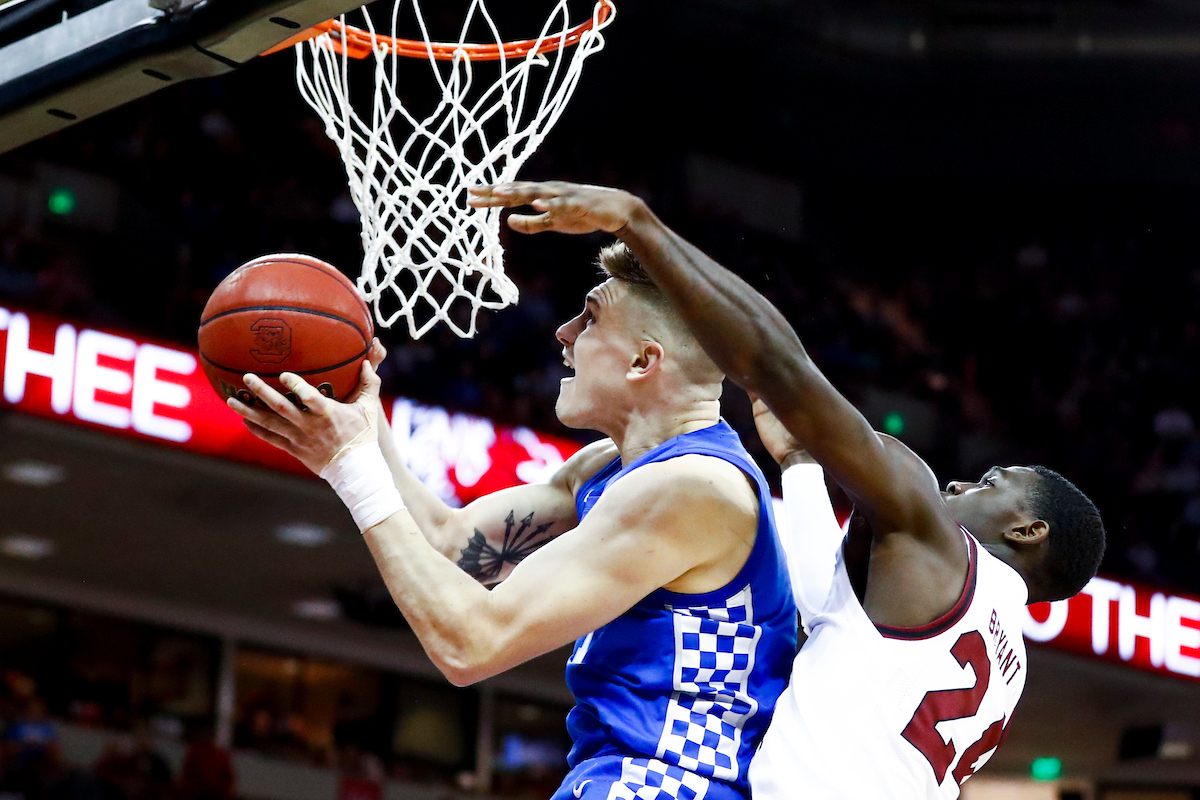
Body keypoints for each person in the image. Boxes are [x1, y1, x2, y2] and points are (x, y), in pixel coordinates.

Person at [468, 180, 1107, 799]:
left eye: (991, 483)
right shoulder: (1005, 662)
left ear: (1028, 530)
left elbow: (780, 365)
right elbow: (822, 614)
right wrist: (800, 466)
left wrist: (641, 225)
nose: (962, 482)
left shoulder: (935, 538)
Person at [226, 246, 797, 800]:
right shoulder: (609, 469)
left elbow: (472, 643)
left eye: (590, 316)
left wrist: (349, 467)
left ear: (643, 361)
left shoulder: (692, 488)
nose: (564, 333)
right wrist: (360, 417)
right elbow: (452, 550)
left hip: (671, 782)